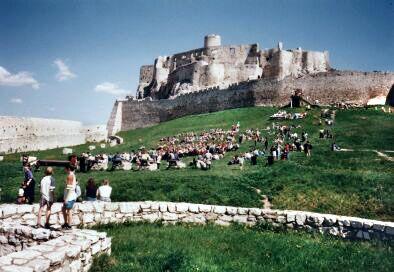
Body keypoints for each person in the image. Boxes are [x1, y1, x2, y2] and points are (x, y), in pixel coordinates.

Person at [62, 165, 77, 229]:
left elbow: (69, 188)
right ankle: (66, 223)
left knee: (69, 210)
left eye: (65, 168)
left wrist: (66, 198)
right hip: (70, 196)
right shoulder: (72, 175)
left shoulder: (70, 176)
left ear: (68, 169)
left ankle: (69, 224)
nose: (64, 170)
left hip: (70, 197)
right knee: (64, 209)